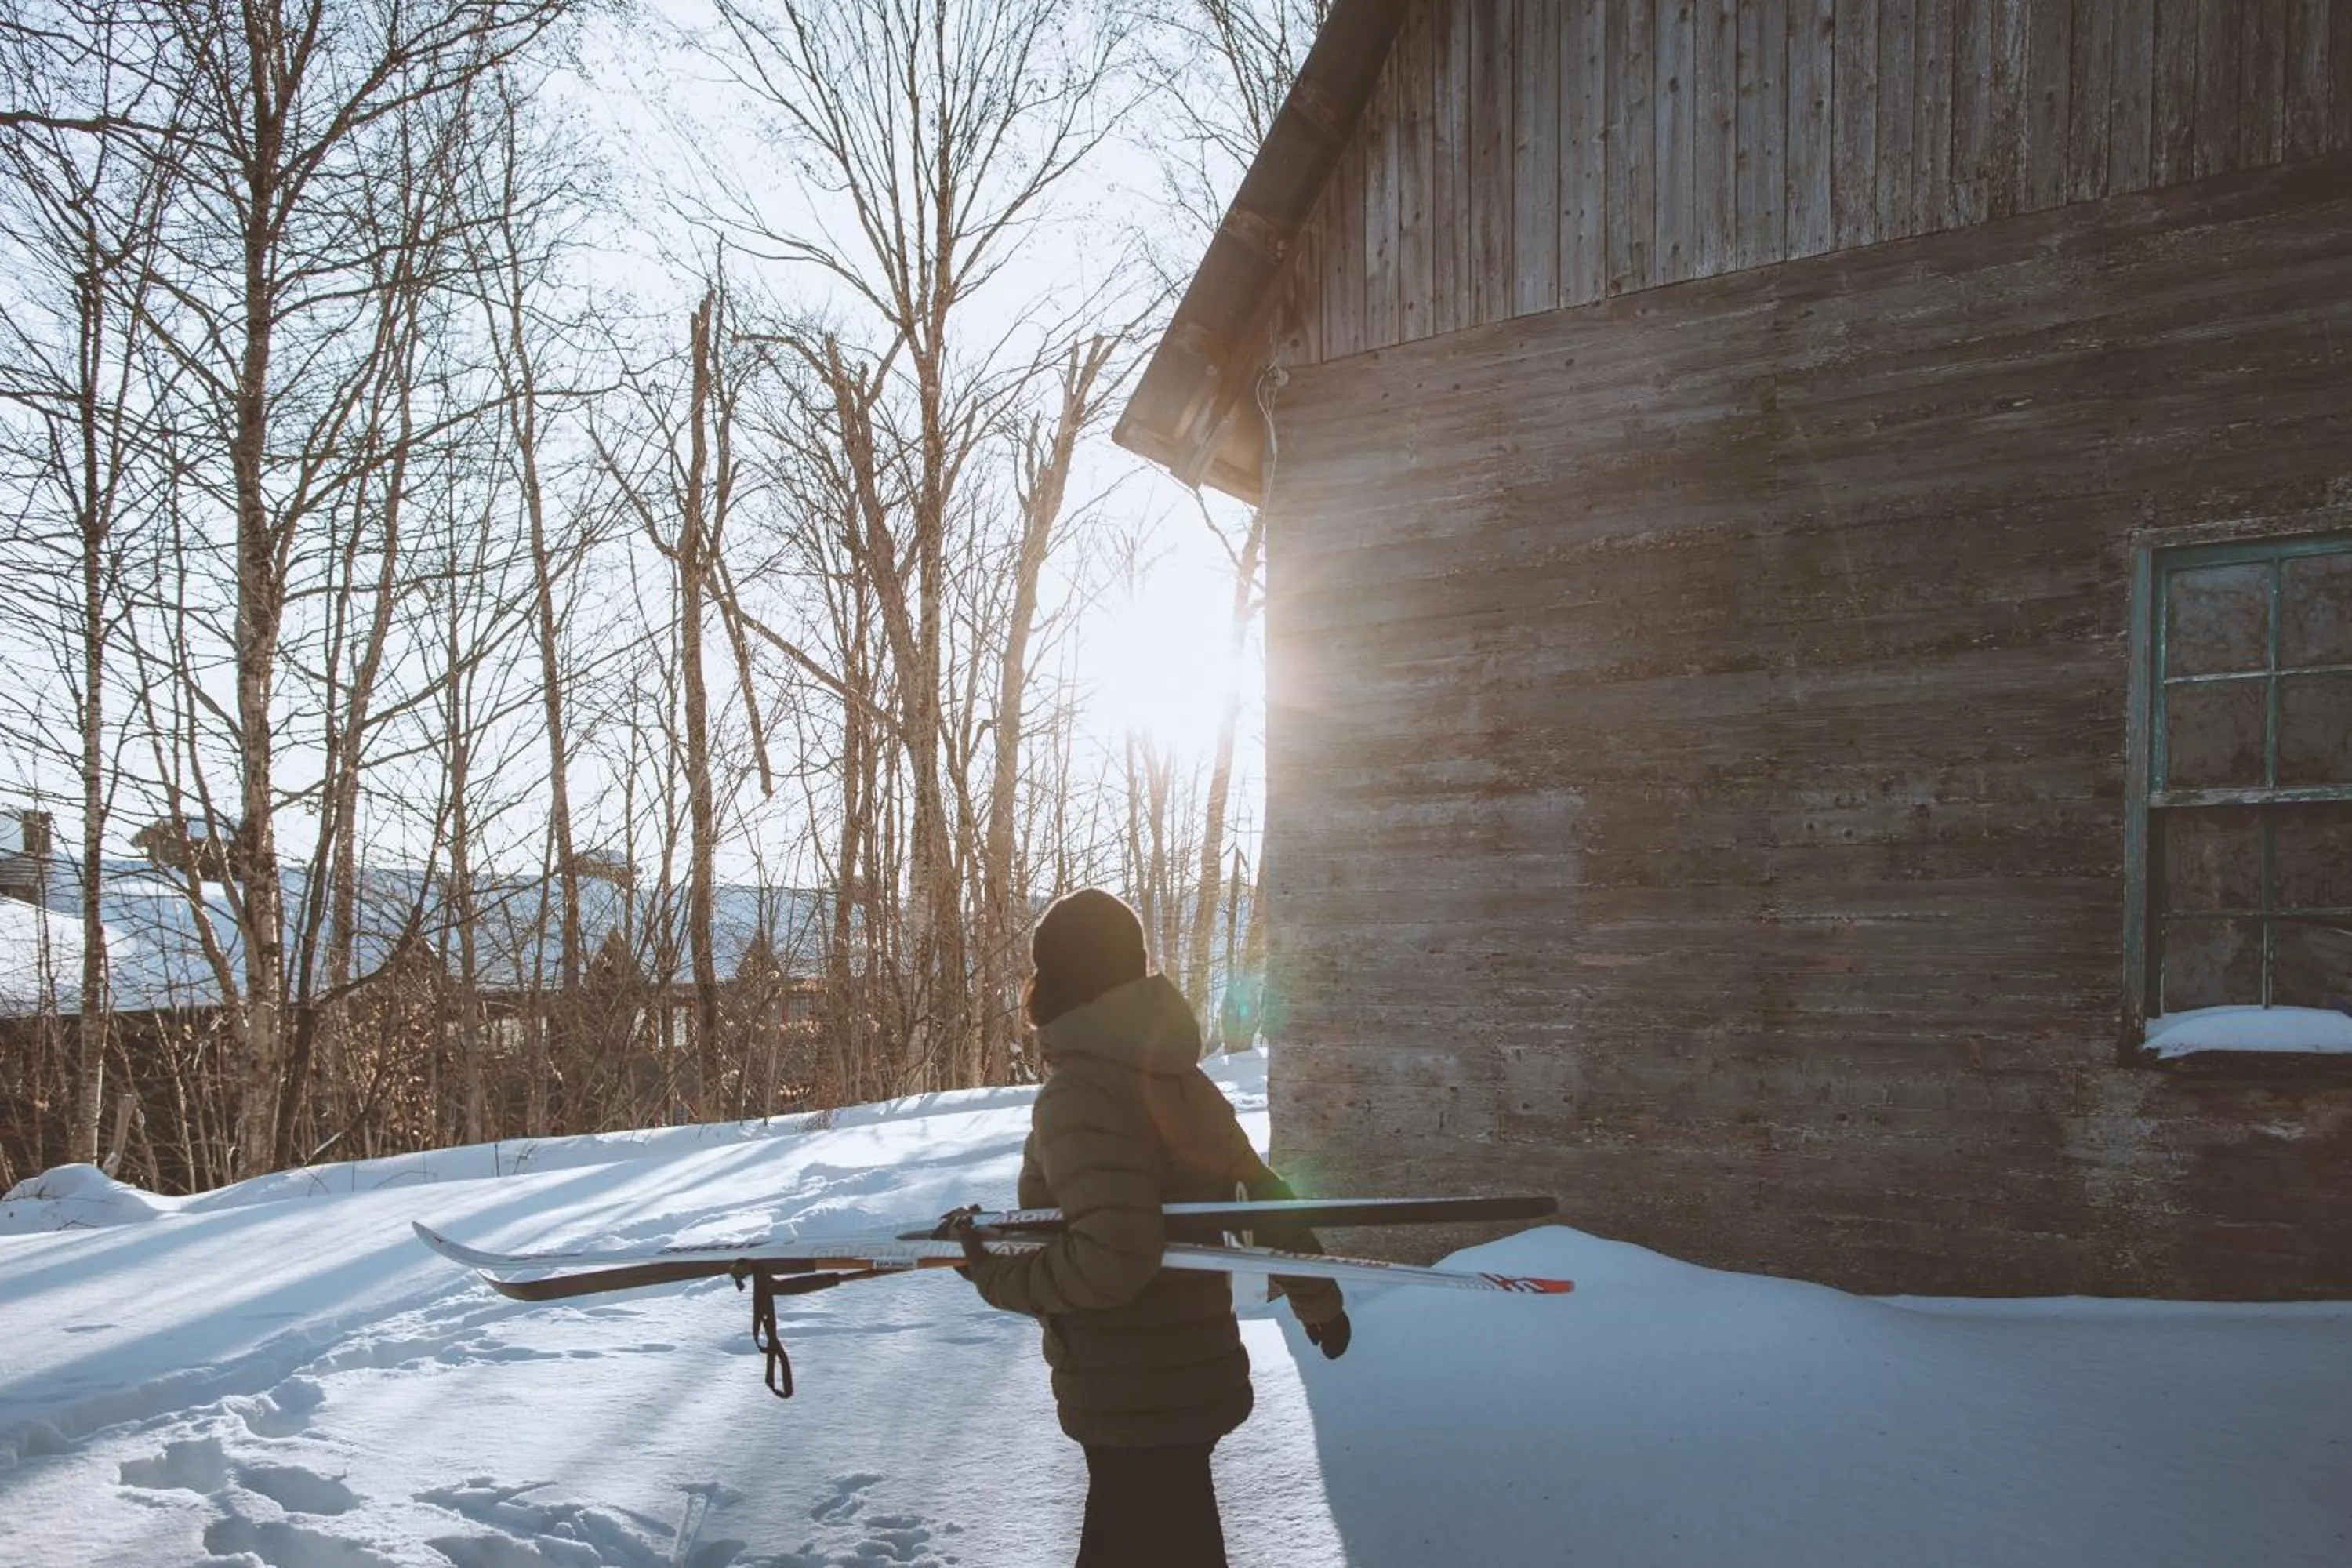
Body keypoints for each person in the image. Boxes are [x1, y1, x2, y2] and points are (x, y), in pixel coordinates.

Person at [952, 888, 1351, 1568]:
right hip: (1183, 1382)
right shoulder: (1180, 1078)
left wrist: (994, 1273)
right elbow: (1262, 1197)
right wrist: (1319, 1298)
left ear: (1059, 977)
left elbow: (1112, 1260)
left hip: (1131, 1390)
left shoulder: (1082, 1094)